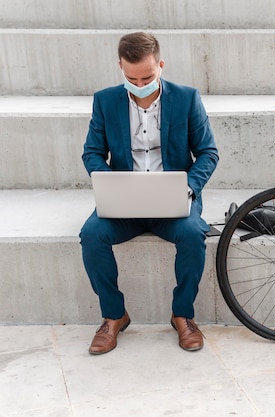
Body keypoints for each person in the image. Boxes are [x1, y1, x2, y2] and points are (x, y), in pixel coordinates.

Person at [80, 32, 219, 355]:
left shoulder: (187, 98)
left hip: (172, 200)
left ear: (161, 65)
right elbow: (92, 153)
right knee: (91, 235)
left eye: (147, 76)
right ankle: (114, 315)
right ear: (120, 67)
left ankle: (182, 314)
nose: (139, 83)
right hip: (123, 201)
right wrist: (108, 182)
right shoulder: (105, 100)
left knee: (192, 234)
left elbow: (208, 153)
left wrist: (188, 188)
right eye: (131, 78)